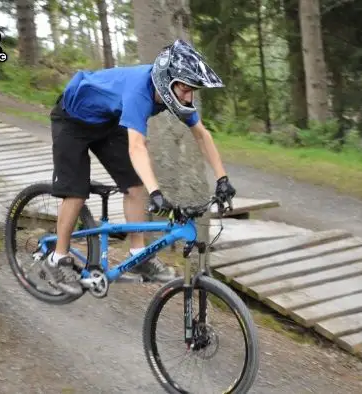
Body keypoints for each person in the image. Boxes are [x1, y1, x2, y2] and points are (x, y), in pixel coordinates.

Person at [43, 39, 237, 295]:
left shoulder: (174, 93)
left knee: (134, 187)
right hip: (72, 120)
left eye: (193, 91)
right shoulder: (140, 92)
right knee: (76, 192)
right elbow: (136, 147)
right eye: (186, 89)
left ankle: (138, 256)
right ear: (169, 82)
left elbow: (202, 135)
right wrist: (156, 191)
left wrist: (222, 178)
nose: (190, 97)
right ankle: (57, 258)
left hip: (107, 122)